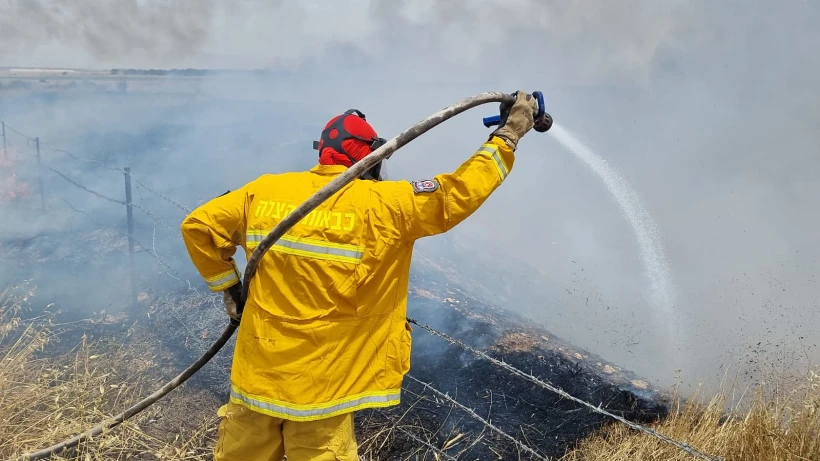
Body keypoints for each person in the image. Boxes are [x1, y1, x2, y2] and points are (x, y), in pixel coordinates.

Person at [180, 91, 540, 460]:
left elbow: (198, 226)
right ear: (369, 154)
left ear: (323, 151)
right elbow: (458, 191)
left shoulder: (263, 190)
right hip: (322, 392)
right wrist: (508, 135)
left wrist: (228, 287)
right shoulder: (384, 204)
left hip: (255, 381)